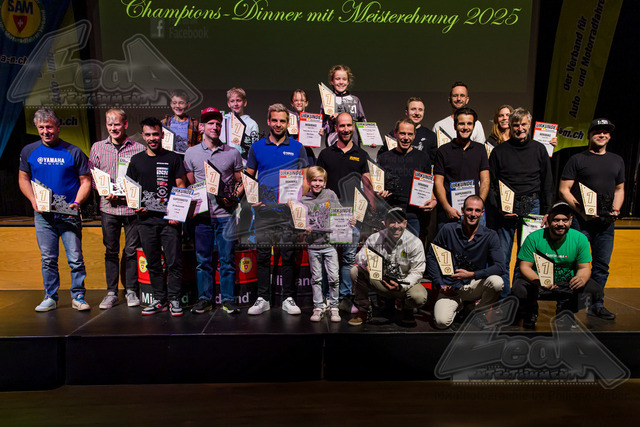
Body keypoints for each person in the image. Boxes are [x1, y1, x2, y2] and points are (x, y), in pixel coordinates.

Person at [19, 108, 92, 312]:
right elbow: (23, 178)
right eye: (41, 127)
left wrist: (77, 202)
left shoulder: (74, 151)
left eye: (49, 127)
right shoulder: (29, 151)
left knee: (75, 259)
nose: (45, 131)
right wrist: (32, 200)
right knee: (48, 259)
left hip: (69, 214)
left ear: (58, 127)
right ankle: (50, 296)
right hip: (43, 216)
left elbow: (86, 181)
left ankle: (78, 296)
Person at [245, 104, 308, 316]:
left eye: (282, 121)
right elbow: (249, 176)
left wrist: (297, 201)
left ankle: (288, 298)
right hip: (264, 212)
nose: (278, 124)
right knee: (263, 255)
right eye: (274, 120)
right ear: (268, 121)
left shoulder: (298, 147)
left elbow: (305, 180)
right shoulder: (257, 147)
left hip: (288, 213)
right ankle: (263, 298)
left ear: (288, 123)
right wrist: (252, 198)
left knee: (289, 256)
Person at [558, 118, 624, 320]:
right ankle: (567, 305)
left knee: (602, 266)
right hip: (581, 222)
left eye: (605, 132)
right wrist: (581, 211)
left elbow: (619, 189)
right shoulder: (577, 159)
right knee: (571, 263)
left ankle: (596, 304)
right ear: (589, 135)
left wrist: (616, 209)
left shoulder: (617, 160)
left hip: (605, 224)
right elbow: (564, 189)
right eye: (597, 131)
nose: (601, 135)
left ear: (610, 136)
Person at [488, 108, 554, 297]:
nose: (520, 128)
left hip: (533, 207)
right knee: (502, 256)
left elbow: (547, 182)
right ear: (510, 126)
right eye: (516, 125)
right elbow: (491, 184)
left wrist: (547, 210)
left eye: (523, 124)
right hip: (505, 209)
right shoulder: (499, 151)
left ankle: (520, 298)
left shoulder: (539, 149)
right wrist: (499, 208)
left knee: (527, 258)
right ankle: (503, 299)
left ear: (529, 125)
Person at [184, 107, 244, 315]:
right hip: (202, 217)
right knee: (203, 261)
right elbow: (190, 185)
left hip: (225, 216)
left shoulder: (232, 152)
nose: (215, 127)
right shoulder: (191, 153)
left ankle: (228, 299)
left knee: (227, 260)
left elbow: (241, 181)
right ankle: (205, 299)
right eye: (210, 123)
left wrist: (234, 197)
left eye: (218, 123)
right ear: (202, 127)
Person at [126, 117, 187, 316]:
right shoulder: (136, 160)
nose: (152, 138)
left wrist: (177, 214)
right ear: (143, 136)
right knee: (152, 263)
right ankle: (160, 300)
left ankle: (174, 299)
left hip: (170, 221)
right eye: (148, 135)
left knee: (174, 262)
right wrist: (136, 207)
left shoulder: (174, 158)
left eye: (155, 134)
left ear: (162, 135)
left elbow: (181, 186)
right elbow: (130, 189)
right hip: (145, 221)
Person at [317, 112, 376, 312]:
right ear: (335, 128)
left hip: (352, 217)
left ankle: (344, 296)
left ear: (353, 127)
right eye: (341, 126)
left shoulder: (361, 154)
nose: (346, 129)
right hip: (329, 217)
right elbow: (318, 185)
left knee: (349, 259)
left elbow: (367, 186)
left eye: (349, 125)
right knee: (327, 258)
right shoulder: (325, 154)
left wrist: (371, 212)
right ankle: (327, 297)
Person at [512, 202, 604, 329]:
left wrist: (581, 279)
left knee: (595, 290)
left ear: (570, 221)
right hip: (539, 284)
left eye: (565, 220)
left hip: (567, 284)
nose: (561, 224)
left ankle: (566, 310)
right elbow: (524, 267)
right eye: (556, 220)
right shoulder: (534, 238)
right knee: (518, 289)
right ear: (548, 220)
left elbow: (584, 268)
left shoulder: (580, 239)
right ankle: (531, 310)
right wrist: (539, 281)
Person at [89, 109, 145, 309]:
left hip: (131, 209)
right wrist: (103, 191)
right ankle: (111, 292)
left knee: (131, 252)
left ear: (125, 124)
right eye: (110, 124)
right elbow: (92, 177)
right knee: (111, 251)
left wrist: (132, 193)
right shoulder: (97, 147)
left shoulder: (139, 148)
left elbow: (142, 178)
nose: (113, 128)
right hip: (108, 208)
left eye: (117, 124)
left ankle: (131, 290)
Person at [426, 196, 504, 329]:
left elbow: (500, 267)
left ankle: (477, 312)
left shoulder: (490, 235)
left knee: (497, 282)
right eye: (469, 210)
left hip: (473, 285)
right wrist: (440, 284)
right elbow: (431, 257)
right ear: (462, 210)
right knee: (441, 322)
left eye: (477, 210)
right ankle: (462, 306)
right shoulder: (448, 229)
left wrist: (472, 274)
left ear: (482, 213)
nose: (473, 214)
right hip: (450, 288)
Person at [349, 207, 428, 326]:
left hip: (403, 284)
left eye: (399, 222)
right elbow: (359, 257)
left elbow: (417, 271)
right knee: (355, 271)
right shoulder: (375, 238)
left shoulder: (415, 242)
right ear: (385, 223)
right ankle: (364, 309)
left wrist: (401, 286)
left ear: (405, 223)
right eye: (392, 222)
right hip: (382, 282)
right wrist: (367, 263)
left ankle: (407, 309)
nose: (396, 226)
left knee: (419, 297)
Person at [299, 166, 351, 322]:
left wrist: (349, 220)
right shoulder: (303, 200)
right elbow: (298, 224)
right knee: (316, 278)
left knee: (334, 277)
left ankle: (334, 307)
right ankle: (318, 307)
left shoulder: (330, 195)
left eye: (320, 180)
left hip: (330, 245)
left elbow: (340, 213)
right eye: (314, 180)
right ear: (308, 182)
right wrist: (304, 227)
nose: (317, 183)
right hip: (313, 246)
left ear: (325, 182)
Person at [377, 118, 436, 236]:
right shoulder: (383, 158)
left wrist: (434, 201)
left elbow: (428, 188)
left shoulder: (423, 158)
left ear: (414, 135)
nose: (406, 138)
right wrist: (379, 194)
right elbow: (377, 188)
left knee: (412, 247)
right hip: (390, 215)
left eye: (410, 134)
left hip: (413, 216)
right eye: (402, 133)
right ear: (395, 134)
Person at [433, 107, 490, 227]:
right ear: (455, 126)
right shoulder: (443, 151)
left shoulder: (480, 149)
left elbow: (485, 180)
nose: (465, 127)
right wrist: (447, 207)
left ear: (473, 126)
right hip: (448, 213)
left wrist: (478, 207)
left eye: (469, 124)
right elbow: (438, 182)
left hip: (474, 213)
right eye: (461, 123)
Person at [377, 97, 438, 167]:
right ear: (406, 112)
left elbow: (434, 163)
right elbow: (382, 159)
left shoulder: (431, 136)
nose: (417, 113)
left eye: (420, 110)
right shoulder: (392, 135)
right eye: (413, 109)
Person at [321, 64, 366, 146]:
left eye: (344, 79)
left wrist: (369, 139)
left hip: (353, 144)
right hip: (333, 144)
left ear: (348, 82)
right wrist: (330, 121)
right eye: (337, 79)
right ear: (332, 81)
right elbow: (322, 124)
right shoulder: (327, 100)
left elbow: (363, 122)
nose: (341, 82)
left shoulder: (355, 100)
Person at [220, 87, 260, 159]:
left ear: (245, 102)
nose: (235, 104)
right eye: (232, 101)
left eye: (238, 100)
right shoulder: (222, 121)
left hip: (243, 163)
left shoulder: (252, 124)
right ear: (228, 104)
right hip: (224, 162)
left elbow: (255, 149)